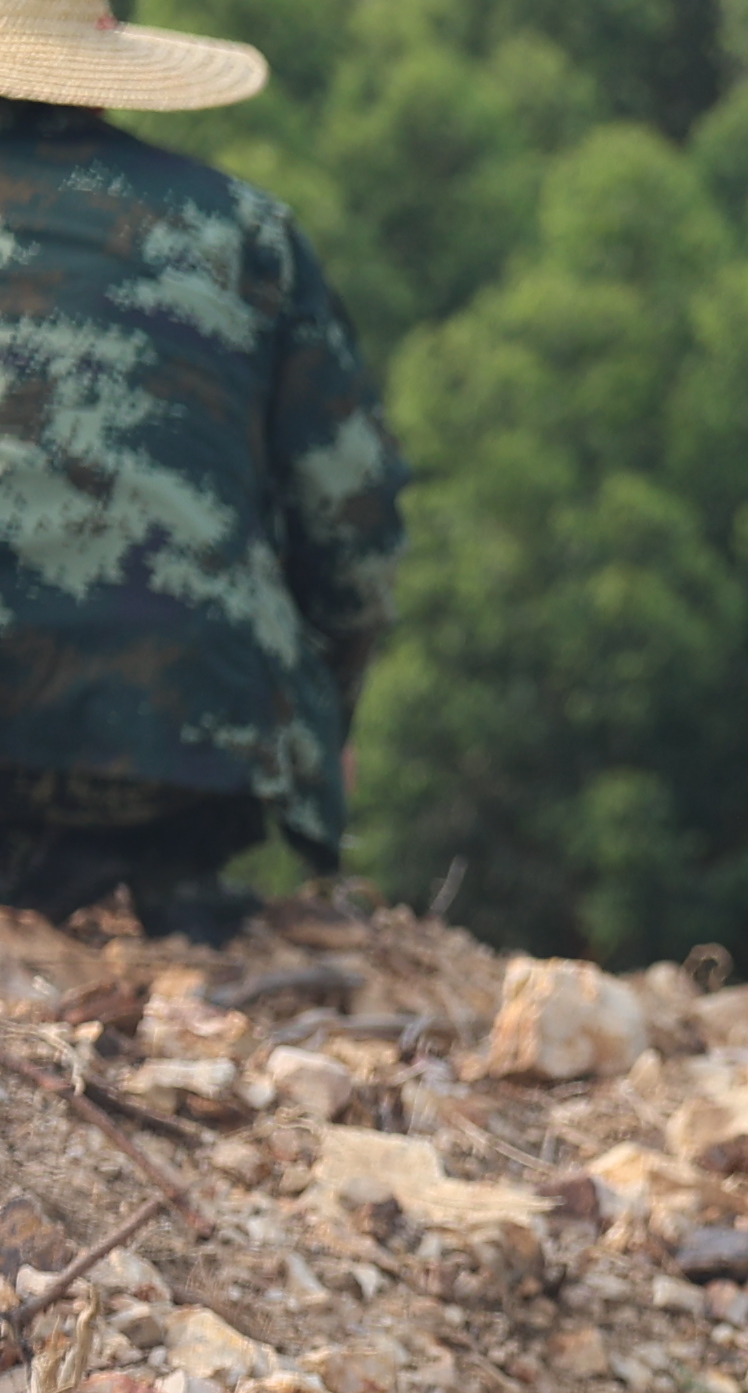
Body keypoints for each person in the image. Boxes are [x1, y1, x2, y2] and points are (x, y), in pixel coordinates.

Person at [0, 0, 403, 943]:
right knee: (172, 857)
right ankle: (173, 895)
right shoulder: (242, 232)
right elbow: (354, 520)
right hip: (181, 739)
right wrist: (321, 716)